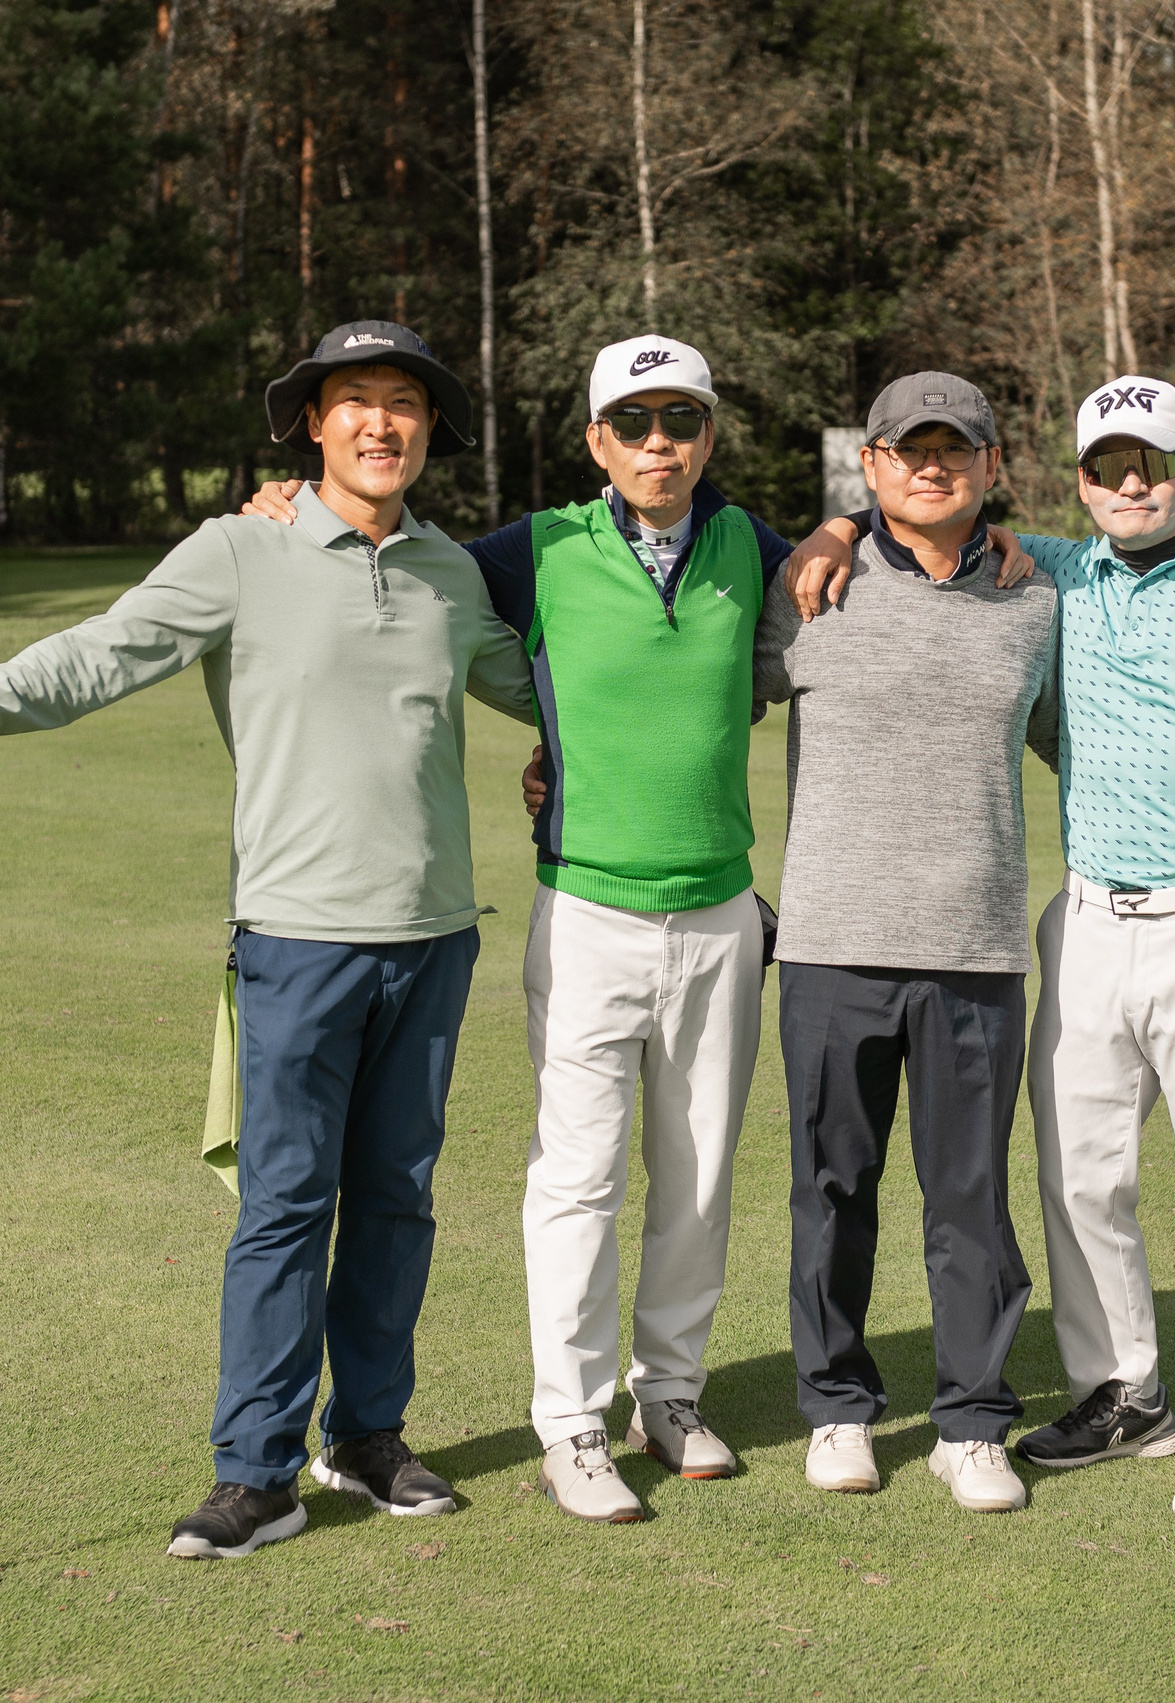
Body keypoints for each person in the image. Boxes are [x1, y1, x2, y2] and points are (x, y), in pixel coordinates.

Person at [245, 335, 1036, 1522]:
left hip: (719, 912)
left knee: (700, 1175)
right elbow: (397, 564)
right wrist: (290, 503)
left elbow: (876, 547)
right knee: (577, 1177)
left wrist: (833, 525)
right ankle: (571, 1423)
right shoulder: (533, 548)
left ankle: (667, 1392)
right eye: (632, 423)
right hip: (586, 909)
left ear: (708, 436)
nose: (656, 442)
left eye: (679, 421)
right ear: (596, 439)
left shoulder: (755, 547)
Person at [0, 321, 538, 1562]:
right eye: (354, 400)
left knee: (396, 1201)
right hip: (296, 940)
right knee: (285, 1205)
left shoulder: (449, 570)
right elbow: (100, 654)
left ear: (429, 428)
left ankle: (367, 1435)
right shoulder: (239, 548)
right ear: (312, 424)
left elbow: (549, 687)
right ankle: (257, 1470)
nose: (380, 422)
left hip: (435, 937)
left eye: (403, 401)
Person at [796, 373, 1175, 1518]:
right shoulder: (1054, 573)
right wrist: (837, 525)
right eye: (1108, 465)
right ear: (1077, 481)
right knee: (1077, 1177)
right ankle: (1123, 1390)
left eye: (1153, 462)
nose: (1132, 482)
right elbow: (928, 521)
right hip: (1087, 918)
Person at [752, 373, 1058, 1514]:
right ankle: (838, 1406)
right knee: (831, 1187)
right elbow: (698, 695)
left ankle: (972, 1421)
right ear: (871, 464)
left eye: (955, 449)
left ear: (991, 465)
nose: (932, 466)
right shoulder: (810, 584)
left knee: (970, 1197)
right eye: (908, 449)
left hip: (976, 946)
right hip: (833, 941)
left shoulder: (1036, 596)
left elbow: (1076, 736)